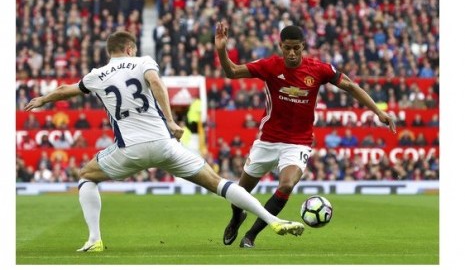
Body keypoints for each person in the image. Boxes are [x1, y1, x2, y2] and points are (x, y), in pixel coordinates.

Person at [24, 31, 304, 253]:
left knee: (86, 175)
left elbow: (66, 90)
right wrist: (170, 120)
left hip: (129, 150)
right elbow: (156, 83)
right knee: (219, 183)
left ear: (110, 51)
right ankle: (274, 220)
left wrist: (43, 99)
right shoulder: (143, 61)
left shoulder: (96, 75)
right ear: (130, 49)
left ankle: (94, 239)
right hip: (164, 144)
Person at [215, 23, 396, 248]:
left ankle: (251, 236)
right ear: (280, 46)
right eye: (287, 48)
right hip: (267, 140)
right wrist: (222, 49)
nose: (292, 53)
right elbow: (231, 72)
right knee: (239, 194)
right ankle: (236, 218)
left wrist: (378, 111)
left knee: (286, 186)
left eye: (296, 49)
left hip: (297, 142)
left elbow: (349, 86)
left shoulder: (318, 69)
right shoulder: (270, 66)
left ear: (303, 47)